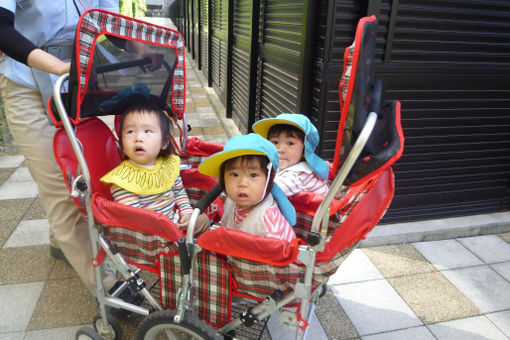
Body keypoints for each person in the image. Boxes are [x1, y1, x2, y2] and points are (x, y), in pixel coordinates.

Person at [100, 100, 196, 230]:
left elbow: (179, 192)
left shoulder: (168, 165)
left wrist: (186, 212)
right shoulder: (123, 180)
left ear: (165, 142)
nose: (138, 138)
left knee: (202, 221)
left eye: (147, 131)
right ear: (121, 141)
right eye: (130, 132)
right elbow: (136, 219)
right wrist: (171, 228)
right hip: (152, 237)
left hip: (174, 222)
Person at [198, 133, 297, 242]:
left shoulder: (268, 223)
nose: (242, 183)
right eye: (234, 175)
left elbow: (277, 257)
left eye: (253, 175)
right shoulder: (231, 202)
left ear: (270, 178)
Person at [252, 113, 330, 196]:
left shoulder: (298, 175)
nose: (280, 149)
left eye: (290, 143)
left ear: (305, 151)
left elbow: (262, 193)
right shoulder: (287, 164)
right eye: (275, 142)